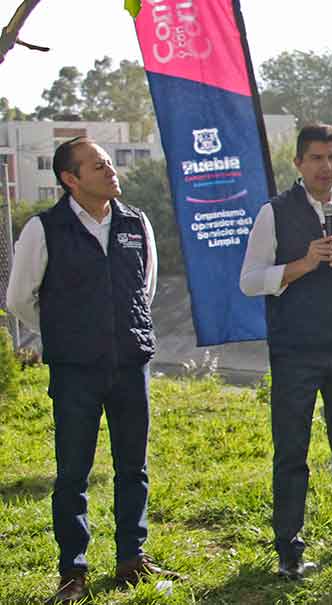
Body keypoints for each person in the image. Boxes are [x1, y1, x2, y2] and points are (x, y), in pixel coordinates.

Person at [6, 137, 181, 603]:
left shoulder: (134, 222)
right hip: (75, 370)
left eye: (110, 163)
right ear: (71, 178)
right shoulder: (44, 229)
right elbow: (20, 298)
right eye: (99, 166)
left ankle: (132, 559)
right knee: (72, 473)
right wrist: (64, 335)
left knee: (134, 468)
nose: (111, 171)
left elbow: (144, 288)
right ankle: (73, 572)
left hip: (130, 363)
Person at [239, 124, 332, 579]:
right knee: (292, 451)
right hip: (294, 349)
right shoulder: (274, 213)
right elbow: (249, 280)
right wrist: (301, 265)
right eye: (318, 158)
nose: (328, 166)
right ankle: (289, 547)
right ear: (299, 163)